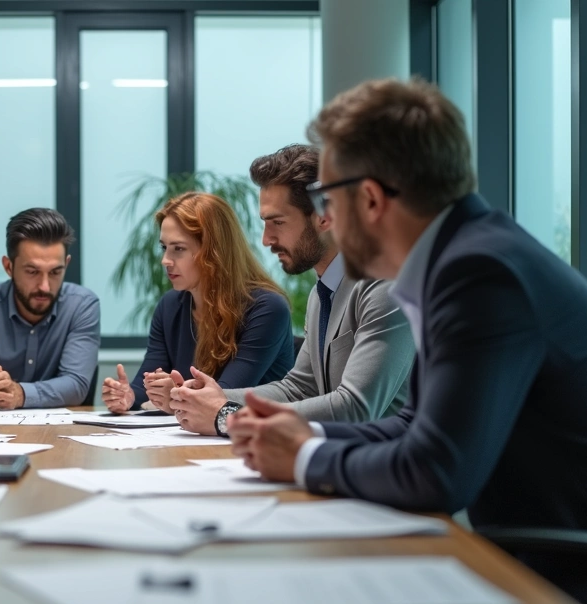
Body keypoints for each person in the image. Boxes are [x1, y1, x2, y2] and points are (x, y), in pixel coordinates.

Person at [228, 78, 587, 604]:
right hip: (538, 556)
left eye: (328, 201)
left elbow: (435, 472)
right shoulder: (464, 258)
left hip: (584, 584)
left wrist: (306, 457)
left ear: (369, 200)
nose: (327, 219)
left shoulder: (481, 273)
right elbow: (413, 425)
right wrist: (301, 436)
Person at [168, 145, 415, 435]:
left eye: (277, 223)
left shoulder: (386, 285)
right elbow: (299, 388)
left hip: (387, 469)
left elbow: (356, 407)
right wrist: (215, 397)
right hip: (337, 461)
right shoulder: (322, 293)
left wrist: (228, 415)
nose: (266, 239)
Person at [103, 192, 295, 414]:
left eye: (179, 249)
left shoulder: (268, 308)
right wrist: (128, 395)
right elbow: (147, 382)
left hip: (254, 438)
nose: (165, 260)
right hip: (195, 438)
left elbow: (223, 396)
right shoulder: (169, 305)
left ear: (214, 252)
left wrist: (173, 394)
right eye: (164, 247)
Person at [0, 208, 100, 409]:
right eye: (32, 272)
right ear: (8, 267)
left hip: (58, 433)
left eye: (55, 272)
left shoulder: (82, 305)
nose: (45, 286)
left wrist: (19, 394)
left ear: (66, 264)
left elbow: (76, 383)